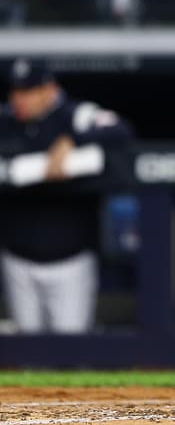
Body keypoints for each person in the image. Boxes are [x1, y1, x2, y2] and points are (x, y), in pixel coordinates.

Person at [0, 59, 133, 332]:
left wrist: (72, 140)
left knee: (71, 350)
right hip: (18, 260)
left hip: (70, 262)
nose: (19, 100)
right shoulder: (6, 120)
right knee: (28, 355)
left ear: (49, 90)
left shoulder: (74, 115)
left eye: (29, 92)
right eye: (15, 92)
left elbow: (120, 130)